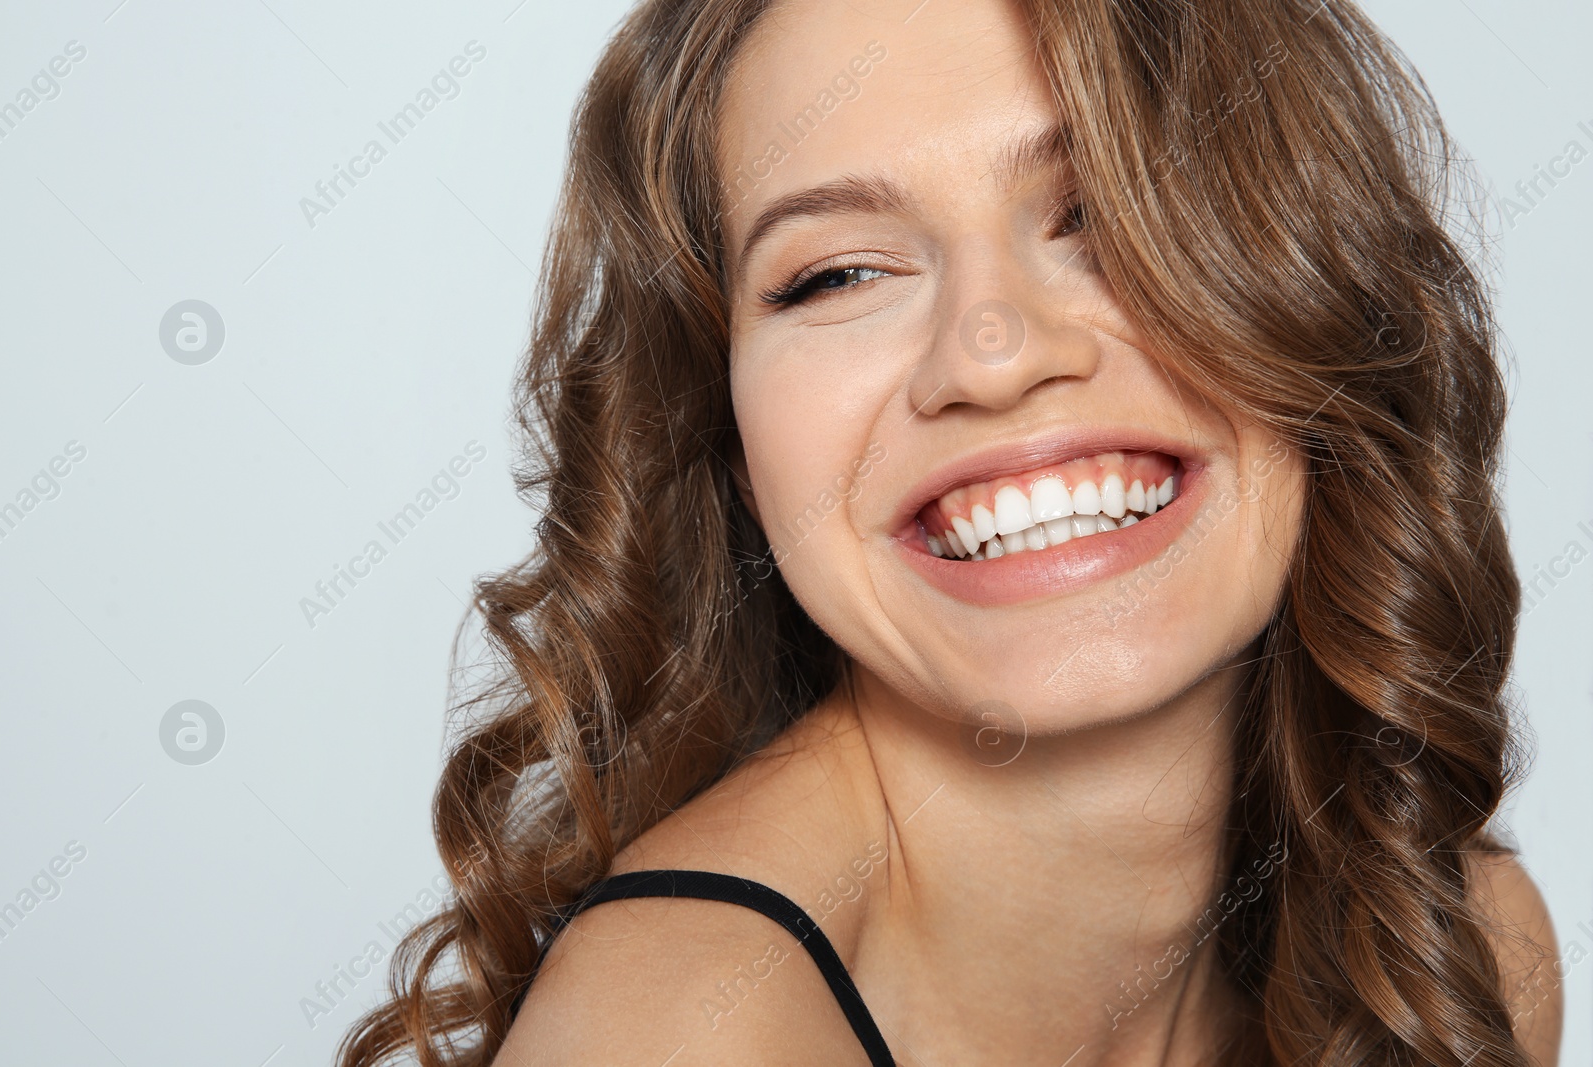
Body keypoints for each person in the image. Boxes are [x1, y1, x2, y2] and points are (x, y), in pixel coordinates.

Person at [339, 0, 1564, 1063]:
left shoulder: (1459, 948)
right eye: (837, 275)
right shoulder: (680, 1033)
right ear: (725, 437)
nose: (993, 350)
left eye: (1098, 210)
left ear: (1321, 295)